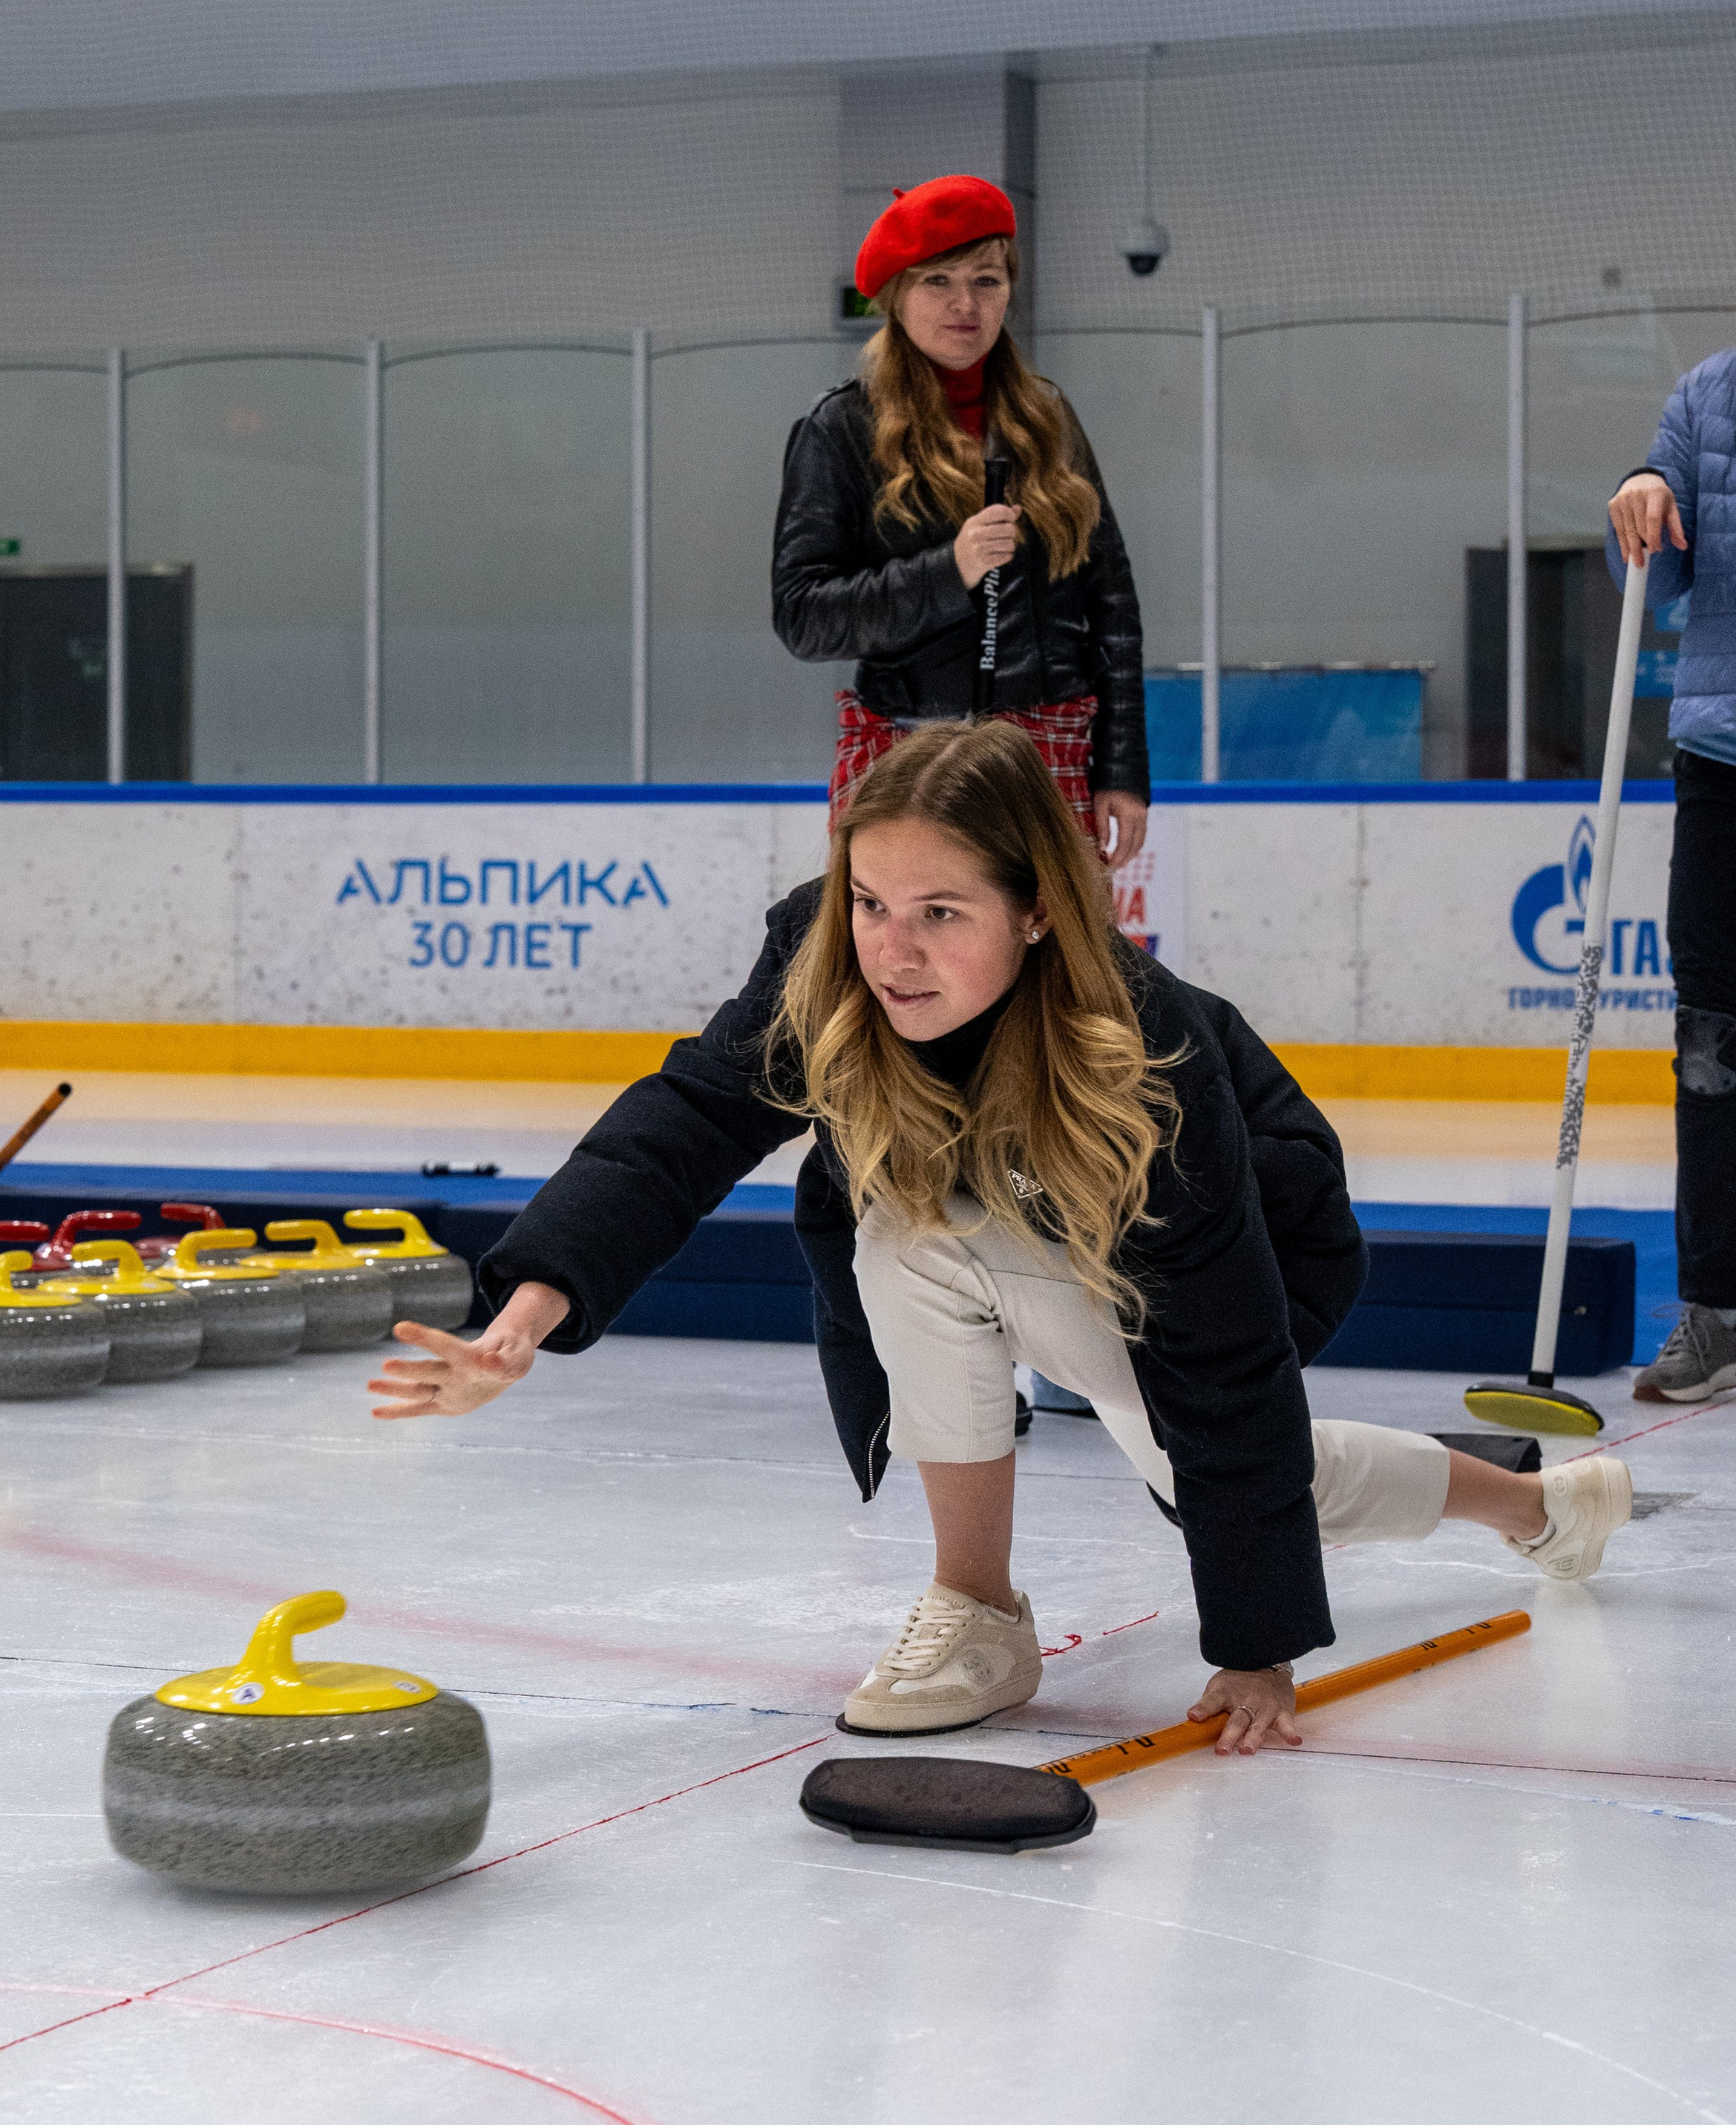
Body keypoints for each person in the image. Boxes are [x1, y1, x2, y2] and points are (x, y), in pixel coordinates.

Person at [369, 727, 1631, 1749]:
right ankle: (983, 1607)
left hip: (1248, 1251)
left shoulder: (1140, 1059)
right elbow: (683, 1123)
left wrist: (1257, 1648)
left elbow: (1230, 1362)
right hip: (1005, 1222)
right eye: (868, 902)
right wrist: (524, 1316)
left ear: (1033, 912)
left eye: (938, 913)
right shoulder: (827, 972)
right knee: (903, 1233)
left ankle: (1524, 1506)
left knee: (1207, 1461)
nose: (890, 950)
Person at [772, 172, 1150, 874]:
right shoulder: (840, 429)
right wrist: (950, 570)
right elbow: (803, 616)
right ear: (895, 296)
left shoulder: (1047, 417)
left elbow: (1112, 606)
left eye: (987, 279)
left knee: (1057, 973)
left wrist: (1122, 769)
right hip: (905, 747)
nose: (965, 305)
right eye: (937, 281)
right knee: (898, 963)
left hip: (1049, 746)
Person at [1608, 356, 1736, 1404]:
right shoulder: (1705, 396)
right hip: (1721, 763)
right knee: (1711, 1042)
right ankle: (1719, 1311)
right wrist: (1645, 500)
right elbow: (1653, 579)